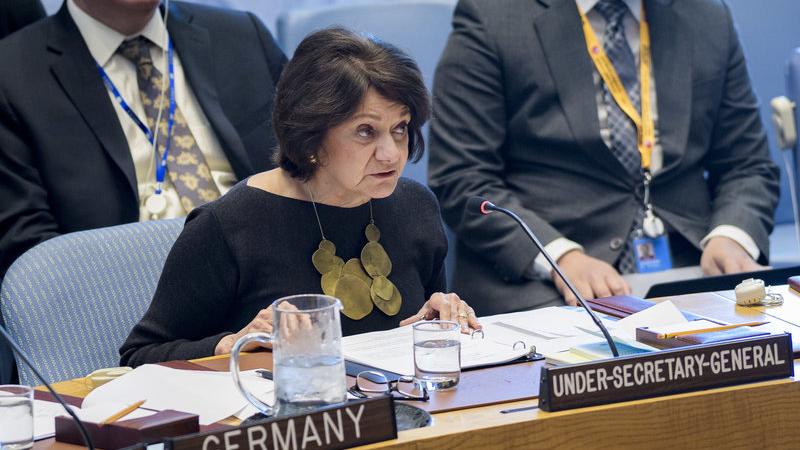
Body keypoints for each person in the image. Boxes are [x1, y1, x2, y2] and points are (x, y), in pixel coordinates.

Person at [119, 27, 481, 367]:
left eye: (400, 128)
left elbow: (402, 337)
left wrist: (435, 320)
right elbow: (139, 356)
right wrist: (230, 344)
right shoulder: (227, 226)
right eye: (365, 131)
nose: (391, 154)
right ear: (310, 136)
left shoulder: (416, 206)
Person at [428, 0, 779, 313]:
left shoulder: (706, 16)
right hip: (549, 281)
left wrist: (731, 235)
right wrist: (559, 255)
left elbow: (747, 164)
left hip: (693, 266)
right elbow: (463, 177)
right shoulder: (492, 16)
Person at [0, 0, 286, 278]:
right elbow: (31, 262)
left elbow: (304, 164)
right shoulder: (12, 77)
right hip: (127, 291)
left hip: (271, 274)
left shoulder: (242, 35)